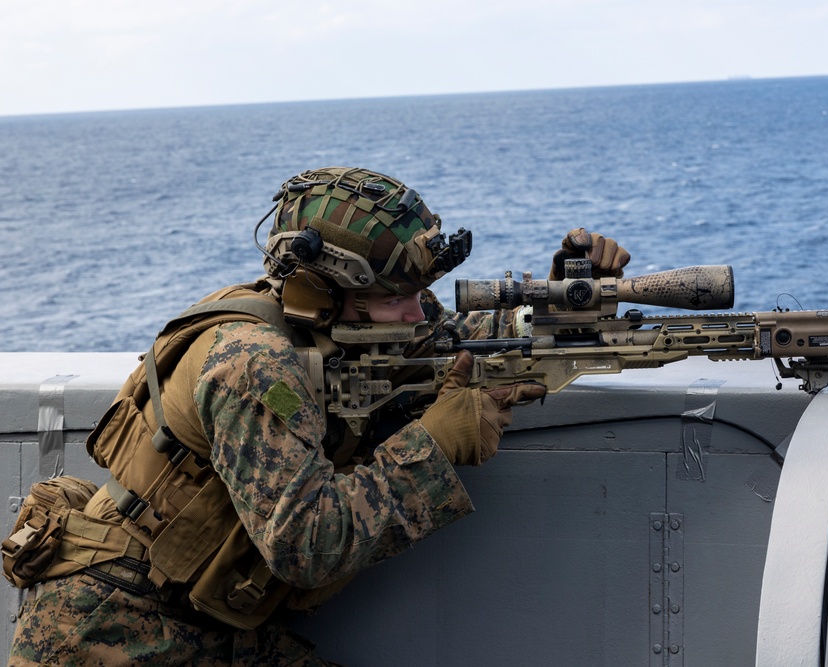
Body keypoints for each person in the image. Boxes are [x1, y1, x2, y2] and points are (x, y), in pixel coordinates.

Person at [4, 166, 630, 666]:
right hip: (113, 628)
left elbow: (447, 344)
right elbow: (308, 545)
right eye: (398, 299)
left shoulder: (346, 320)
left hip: (208, 615)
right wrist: (435, 448)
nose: (419, 313)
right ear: (321, 291)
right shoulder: (252, 363)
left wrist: (558, 312)